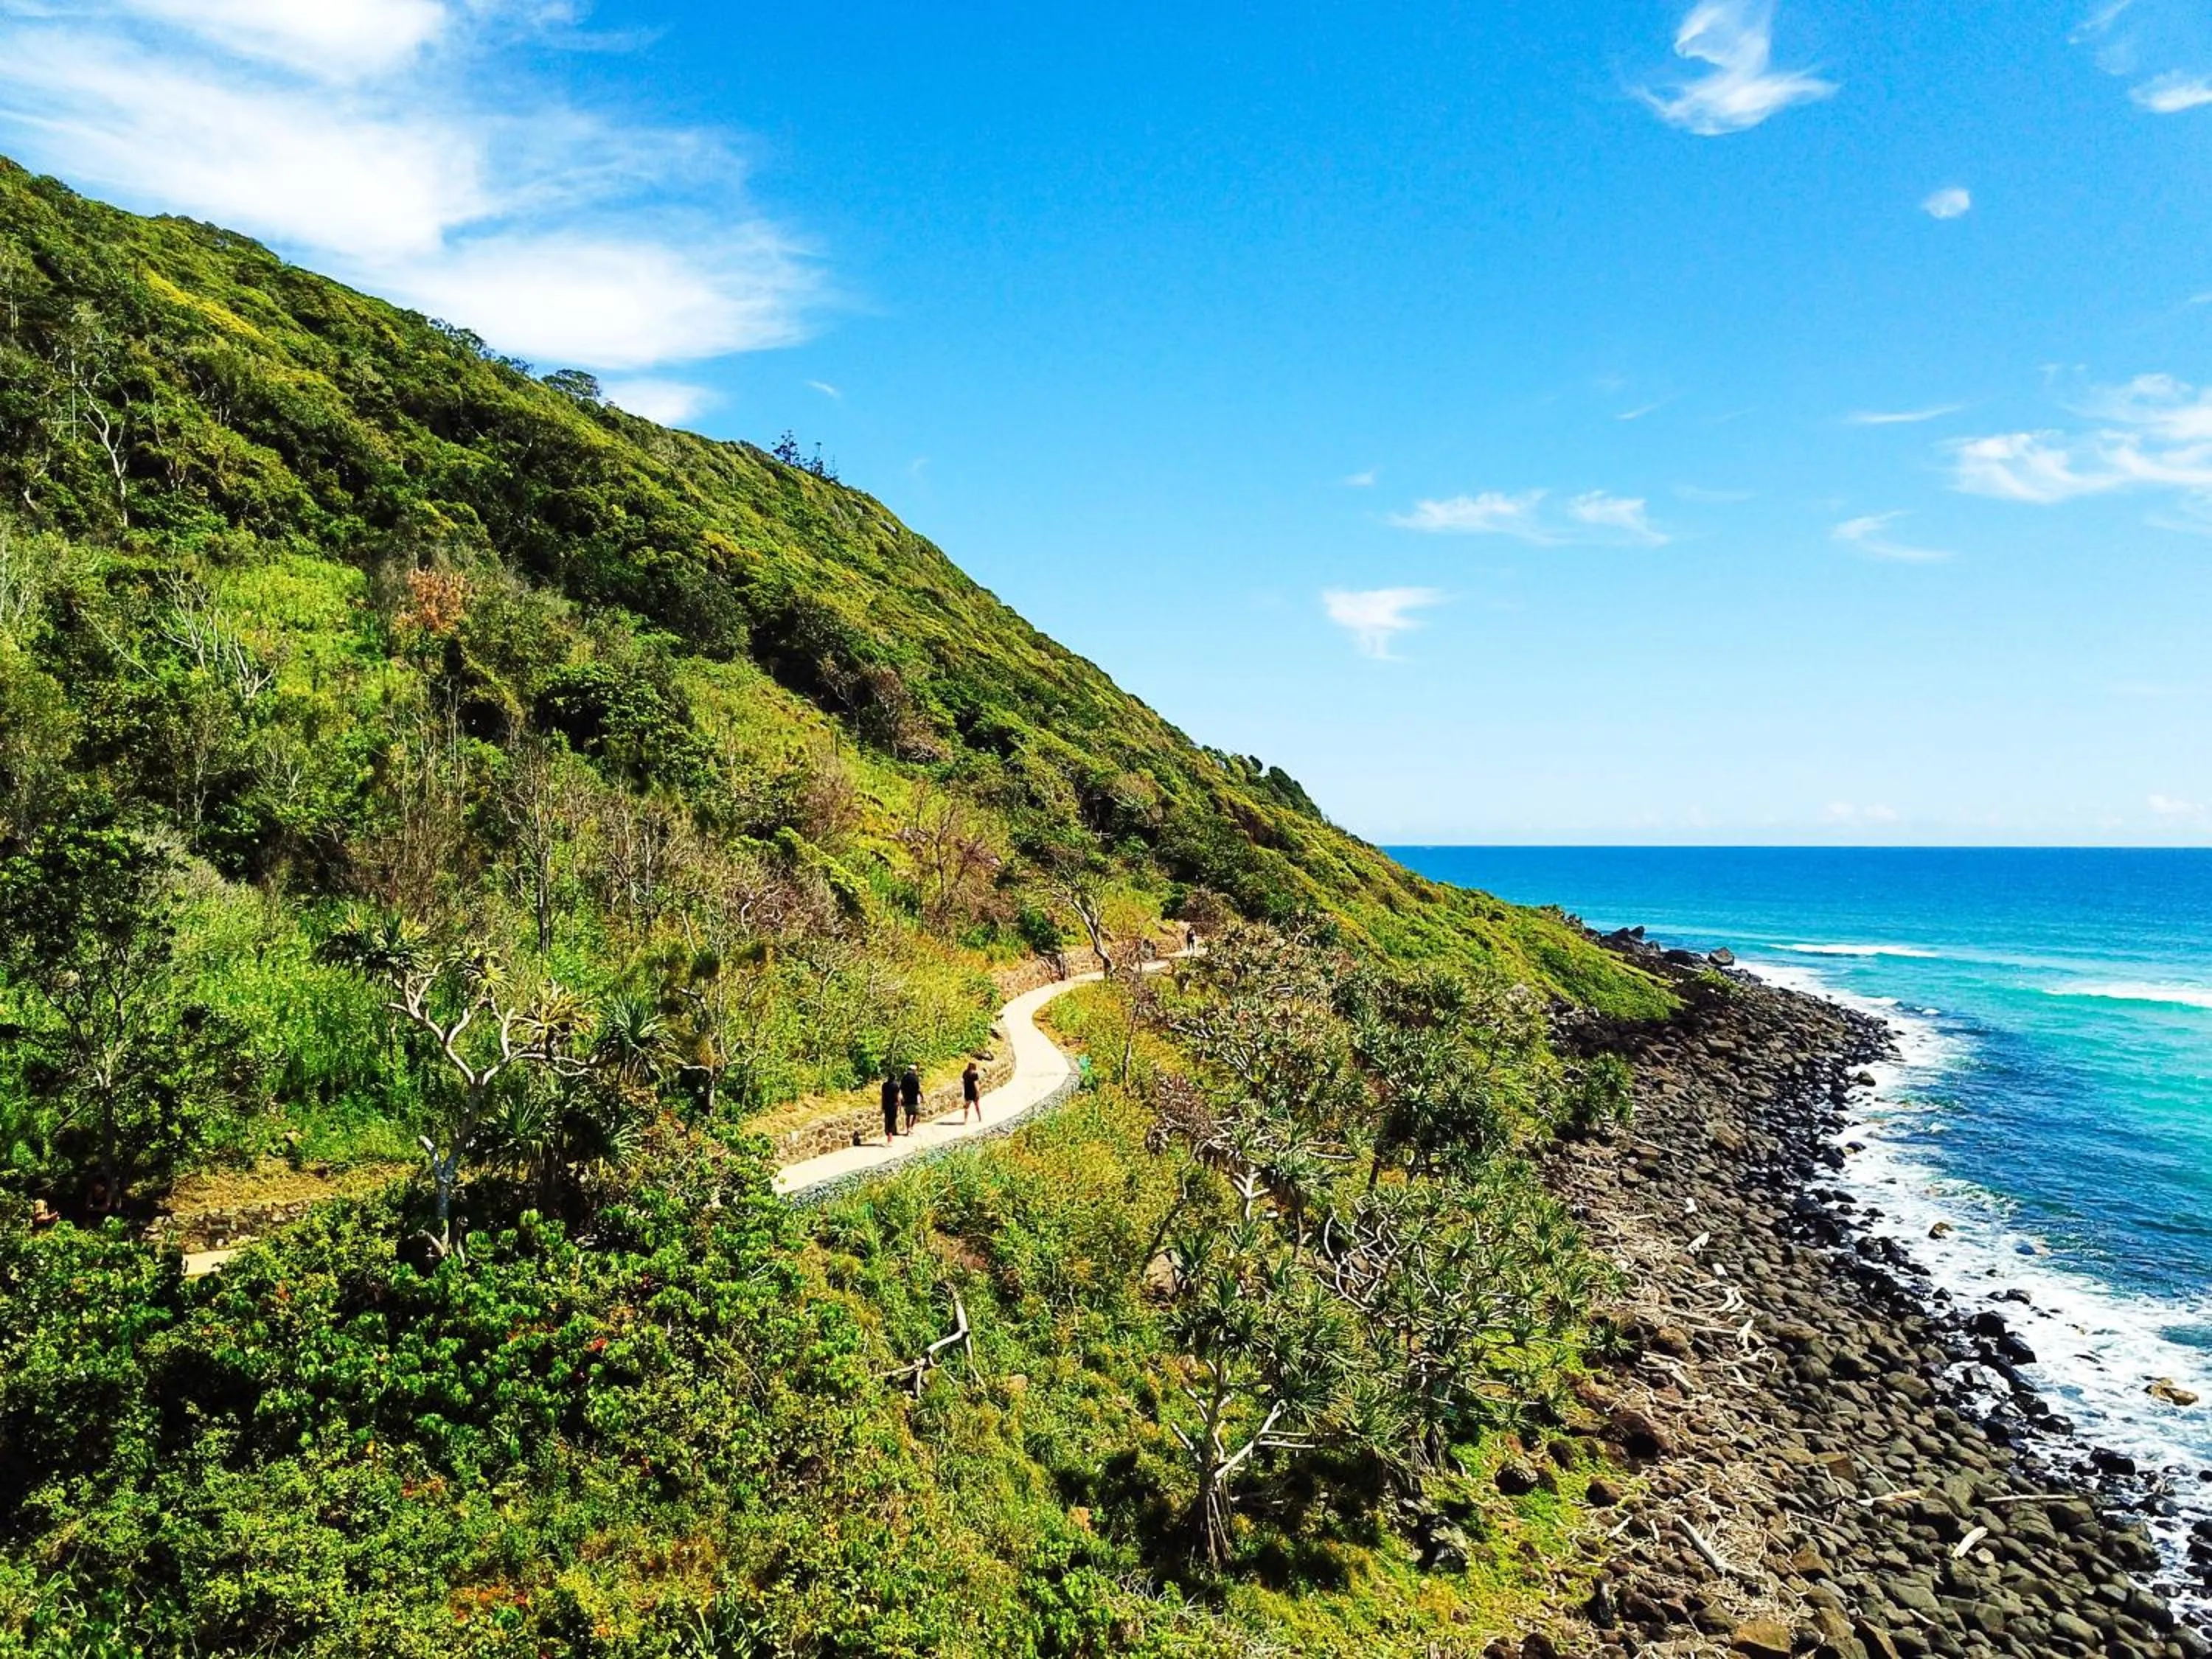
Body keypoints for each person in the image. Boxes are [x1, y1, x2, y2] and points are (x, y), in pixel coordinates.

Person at [900, 1065, 922, 1133]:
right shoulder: (916, 1078)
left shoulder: (904, 1078)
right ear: (914, 1071)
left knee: (908, 1115)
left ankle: (908, 1129)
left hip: (906, 1099)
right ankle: (911, 1127)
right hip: (914, 1098)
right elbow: (918, 1089)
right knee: (915, 1114)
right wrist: (921, 1096)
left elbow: (901, 1088)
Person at [880, 1073, 900, 1145]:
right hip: (894, 1105)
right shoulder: (896, 1085)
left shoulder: (884, 1085)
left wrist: (882, 1106)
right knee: (892, 1121)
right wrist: (900, 1105)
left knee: (888, 1120)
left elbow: (883, 1096)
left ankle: (889, 1136)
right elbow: (897, 1096)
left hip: (886, 1105)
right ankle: (890, 1139)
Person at [961, 1060, 983, 1124]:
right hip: (973, 1092)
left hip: (967, 1091)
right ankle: (980, 1118)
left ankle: (965, 1120)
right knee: (977, 1106)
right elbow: (976, 1084)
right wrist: (978, 1092)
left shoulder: (965, 1073)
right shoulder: (975, 1074)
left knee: (967, 1107)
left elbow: (962, 1081)